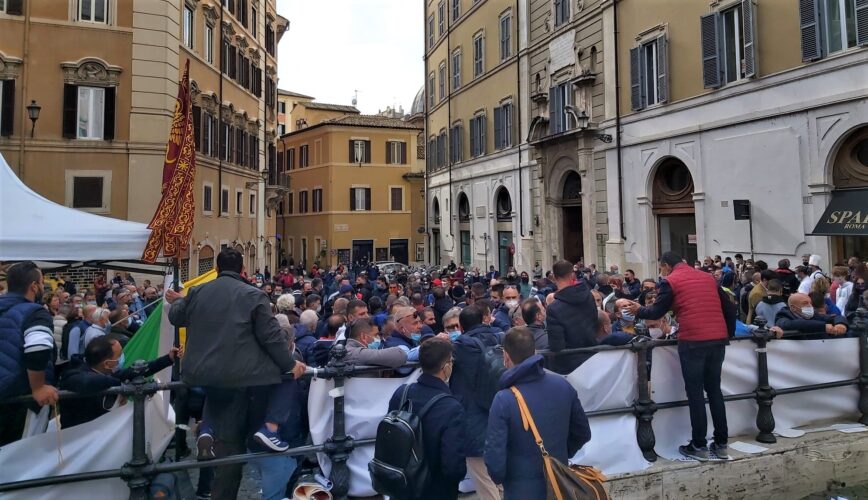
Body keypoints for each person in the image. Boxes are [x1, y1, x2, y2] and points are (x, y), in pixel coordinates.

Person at [166, 248, 306, 499]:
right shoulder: (254, 295)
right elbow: (271, 337)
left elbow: (177, 316)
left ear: (217, 269)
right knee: (284, 379)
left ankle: (207, 431)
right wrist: (289, 364)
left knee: (227, 451)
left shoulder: (198, 291)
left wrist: (178, 299)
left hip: (202, 374)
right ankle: (268, 429)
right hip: (243, 377)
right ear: (243, 270)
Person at [621, 251, 732, 461]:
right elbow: (728, 306)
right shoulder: (707, 277)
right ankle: (721, 443)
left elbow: (656, 312)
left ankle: (698, 444)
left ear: (666, 266)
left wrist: (639, 310)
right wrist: (728, 334)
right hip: (717, 339)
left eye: (661, 268)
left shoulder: (671, 281)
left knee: (696, 392)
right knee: (715, 390)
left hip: (694, 340)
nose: (661, 272)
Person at [484, 327, 591, 500]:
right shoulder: (562, 385)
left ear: (505, 356)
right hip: (558, 483)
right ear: (534, 352)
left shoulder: (503, 399)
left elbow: (494, 454)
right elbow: (583, 432)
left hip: (520, 488)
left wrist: (501, 478)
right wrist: (561, 455)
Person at [385, 338, 466, 500]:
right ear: (446, 367)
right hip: (435, 488)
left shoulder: (402, 393)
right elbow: (453, 465)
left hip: (402, 483)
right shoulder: (451, 407)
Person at [59, 336, 178, 428]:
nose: (122, 358)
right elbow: (87, 382)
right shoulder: (74, 376)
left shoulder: (102, 371)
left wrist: (168, 359)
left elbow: (132, 372)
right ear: (107, 364)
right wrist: (122, 387)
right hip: (78, 442)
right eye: (119, 355)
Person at [0, 261, 58, 445]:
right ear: (34, 286)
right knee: (20, 457)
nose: (43, 286)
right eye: (42, 282)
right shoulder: (35, 313)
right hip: (19, 399)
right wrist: (38, 387)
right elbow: (37, 348)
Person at [450, 305, 502, 500]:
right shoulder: (499, 338)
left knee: (485, 482)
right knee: (501, 479)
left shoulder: (461, 346)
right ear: (484, 319)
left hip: (474, 419)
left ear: (461, 327)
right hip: (499, 411)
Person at [546, 260, 598, 374]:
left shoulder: (553, 308)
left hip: (569, 367)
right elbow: (595, 322)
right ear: (572, 275)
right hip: (592, 358)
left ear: (554, 277)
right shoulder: (589, 296)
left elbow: (556, 345)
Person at [774, 293, 848, 336]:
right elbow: (794, 324)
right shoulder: (782, 316)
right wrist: (823, 327)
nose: (810, 306)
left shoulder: (813, 315)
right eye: (805, 303)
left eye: (810, 303)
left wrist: (840, 324)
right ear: (793, 308)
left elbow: (833, 317)